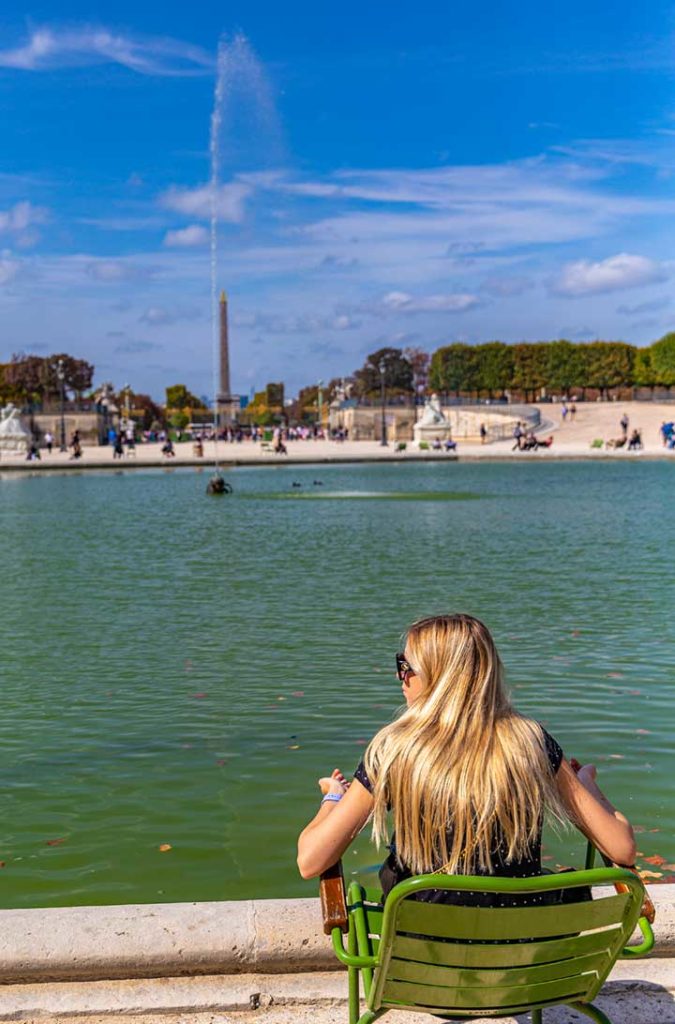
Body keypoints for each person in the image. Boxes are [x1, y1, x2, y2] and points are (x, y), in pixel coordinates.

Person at [297, 614, 636, 907]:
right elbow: (622, 850)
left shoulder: (395, 750)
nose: (400, 677)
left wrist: (333, 798)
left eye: (406, 666)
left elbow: (310, 860)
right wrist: (588, 786)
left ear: (438, 677)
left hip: (421, 956)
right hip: (524, 960)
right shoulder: (531, 742)